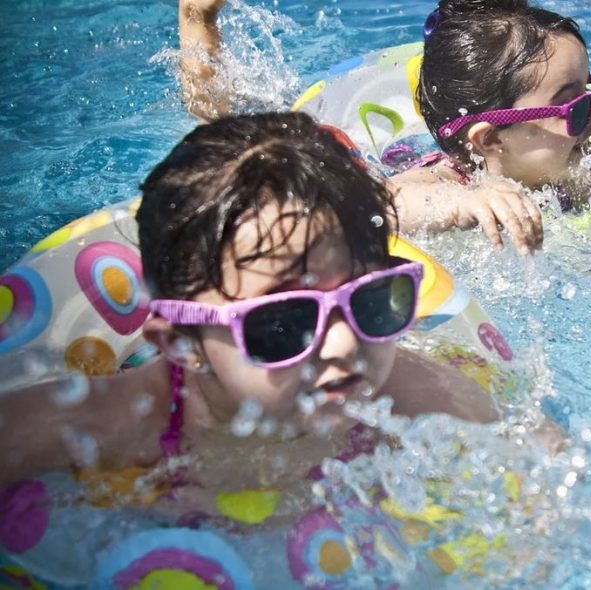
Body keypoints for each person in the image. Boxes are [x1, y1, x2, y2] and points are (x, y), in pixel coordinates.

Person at [0, 112, 498, 496]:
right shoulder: (110, 426)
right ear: (180, 342)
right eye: (283, 323)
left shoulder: (411, 394)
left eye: (370, 302)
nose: (346, 343)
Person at [177, 0, 591, 257]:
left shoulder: (585, 170)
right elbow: (366, 213)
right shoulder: (442, 184)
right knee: (234, 135)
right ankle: (198, 20)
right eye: (573, 108)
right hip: (382, 157)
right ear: (488, 139)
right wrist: (460, 207)